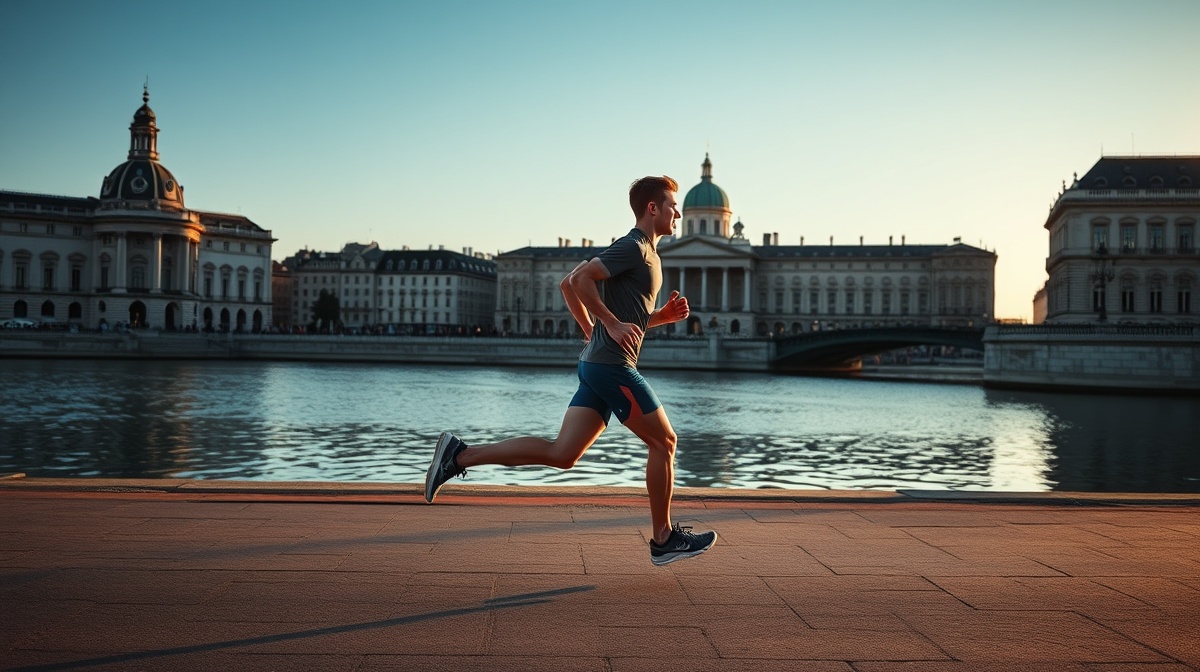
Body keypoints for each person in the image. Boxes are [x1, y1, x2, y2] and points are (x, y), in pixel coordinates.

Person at [424, 175, 717, 566]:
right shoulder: (634, 247)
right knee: (665, 443)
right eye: (672, 205)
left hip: (597, 364)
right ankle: (663, 539)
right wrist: (608, 326)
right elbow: (578, 281)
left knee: (563, 454)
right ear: (653, 208)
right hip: (612, 367)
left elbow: (567, 285)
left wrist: (653, 318)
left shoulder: (643, 252)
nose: (677, 213)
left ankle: (458, 456)